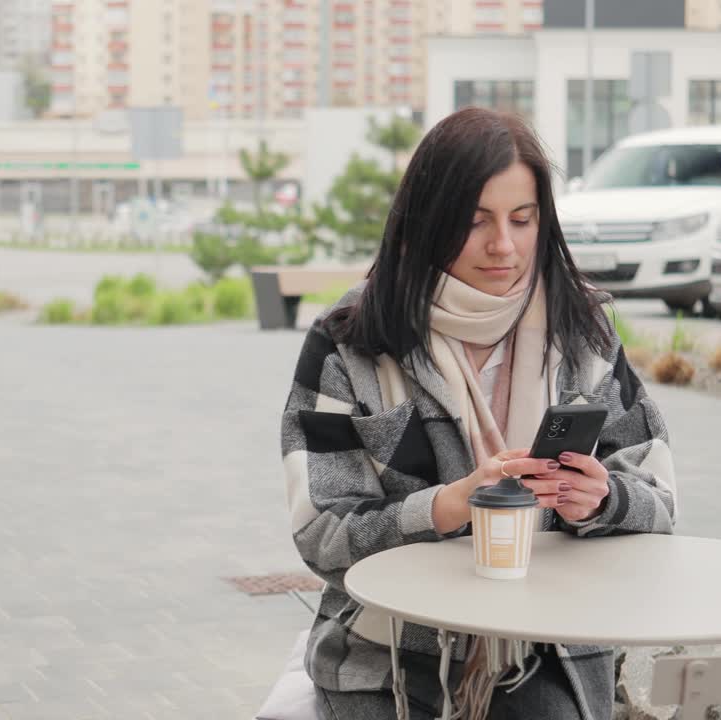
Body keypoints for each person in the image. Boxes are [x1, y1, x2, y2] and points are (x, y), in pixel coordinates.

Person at [279, 108, 677, 720]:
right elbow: (322, 535)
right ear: (427, 223)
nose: (504, 246)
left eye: (523, 220)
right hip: (387, 657)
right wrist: (450, 504)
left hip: (551, 648)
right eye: (475, 222)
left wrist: (600, 500)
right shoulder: (350, 341)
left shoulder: (581, 331)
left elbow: (658, 498)